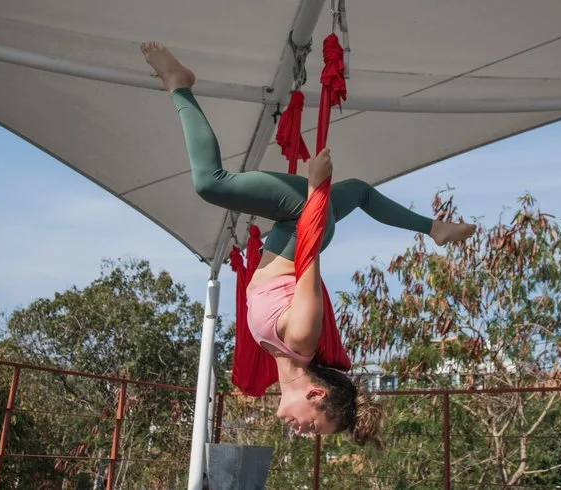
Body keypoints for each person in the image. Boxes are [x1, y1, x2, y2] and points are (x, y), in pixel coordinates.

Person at [141, 42, 476, 448]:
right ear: (316, 395)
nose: (302, 432)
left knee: (360, 192)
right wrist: (316, 190)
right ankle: (180, 85)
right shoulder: (301, 337)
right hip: (302, 216)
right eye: (314, 427)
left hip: (301, 223)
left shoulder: (282, 354)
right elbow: (310, 256)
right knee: (210, 183)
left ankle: (434, 228)